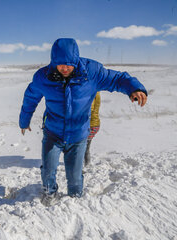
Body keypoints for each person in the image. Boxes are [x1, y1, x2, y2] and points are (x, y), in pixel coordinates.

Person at [19, 38, 147, 205]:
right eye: (60, 64)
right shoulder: (43, 77)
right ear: (53, 61)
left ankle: (75, 198)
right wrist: (24, 121)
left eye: (69, 64)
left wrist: (134, 88)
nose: (65, 68)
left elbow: (117, 79)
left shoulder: (91, 73)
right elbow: (30, 98)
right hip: (53, 133)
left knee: (75, 175)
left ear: (76, 60)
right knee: (48, 170)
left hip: (78, 136)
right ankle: (50, 194)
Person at [84, 91, 101, 166]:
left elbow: (89, 109)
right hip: (95, 124)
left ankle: (82, 166)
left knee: (82, 148)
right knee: (85, 148)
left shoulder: (92, 93)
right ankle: (86, 164)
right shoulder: (97, 93)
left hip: (90, 125)